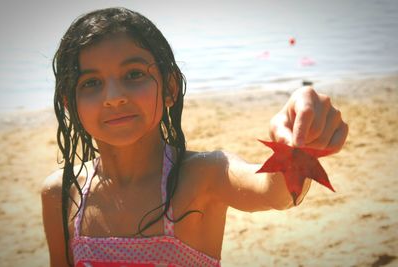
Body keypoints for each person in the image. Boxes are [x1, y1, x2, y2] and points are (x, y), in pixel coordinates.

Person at [41, 7, 348, 267]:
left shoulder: (204, 175)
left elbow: (275, 194)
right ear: (70, 102)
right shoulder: (62, 192)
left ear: (171, 88)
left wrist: (298, 143)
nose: (113, 97)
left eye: (134, 74)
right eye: (91, 82)